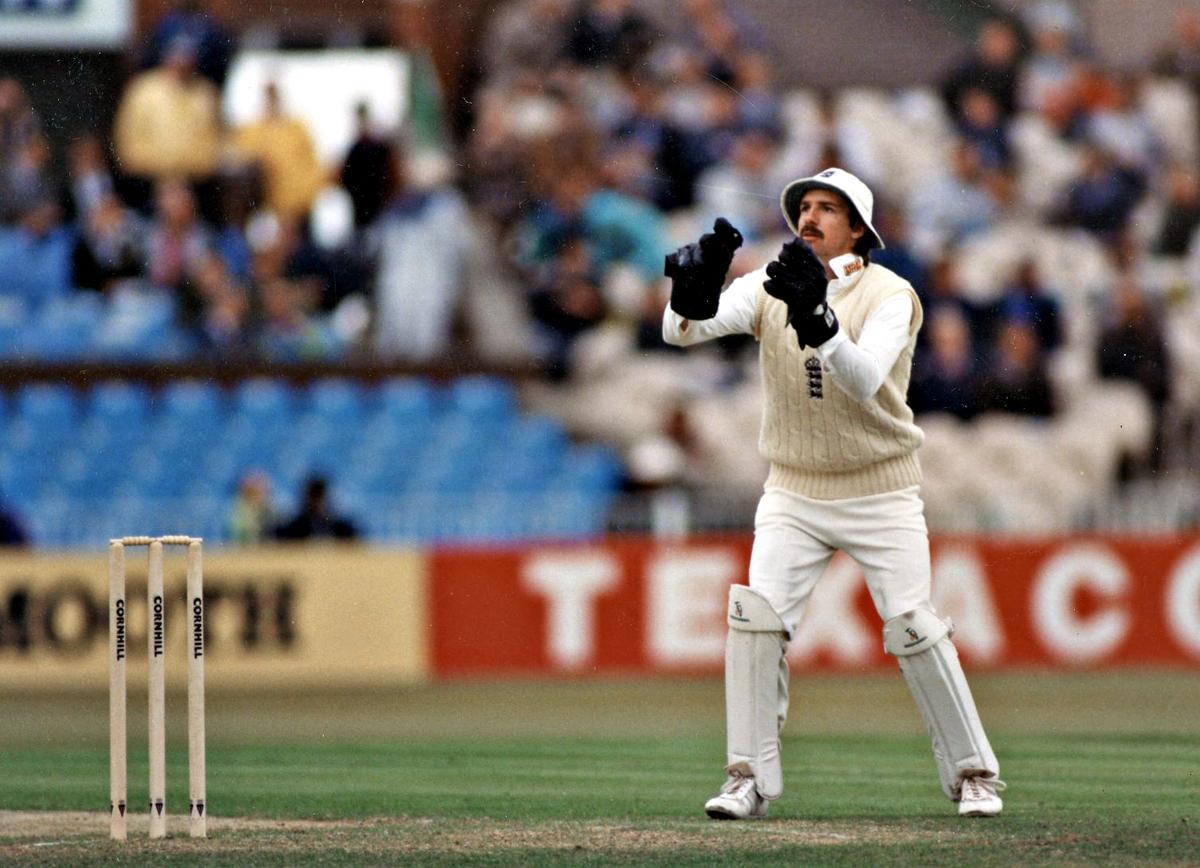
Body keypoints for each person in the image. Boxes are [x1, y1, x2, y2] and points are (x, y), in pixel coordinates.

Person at [662, 167, 1004, 820]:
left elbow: (864, 377)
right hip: (794, 490)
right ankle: (747, 779)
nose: (809, 217)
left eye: (827, 208)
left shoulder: (891, 295)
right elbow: (683, 333)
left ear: (859, 228)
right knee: (756, 619)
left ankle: (974, 777)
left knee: (914, 628)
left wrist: (818, 319)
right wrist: (689, 292)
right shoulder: (769, 282)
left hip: (882, 491)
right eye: (804, 207)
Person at [273, 476, 358, 541]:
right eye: (313, 497)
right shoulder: (293, 529)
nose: (317, 503)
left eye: (320, 497)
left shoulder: (343, 529)